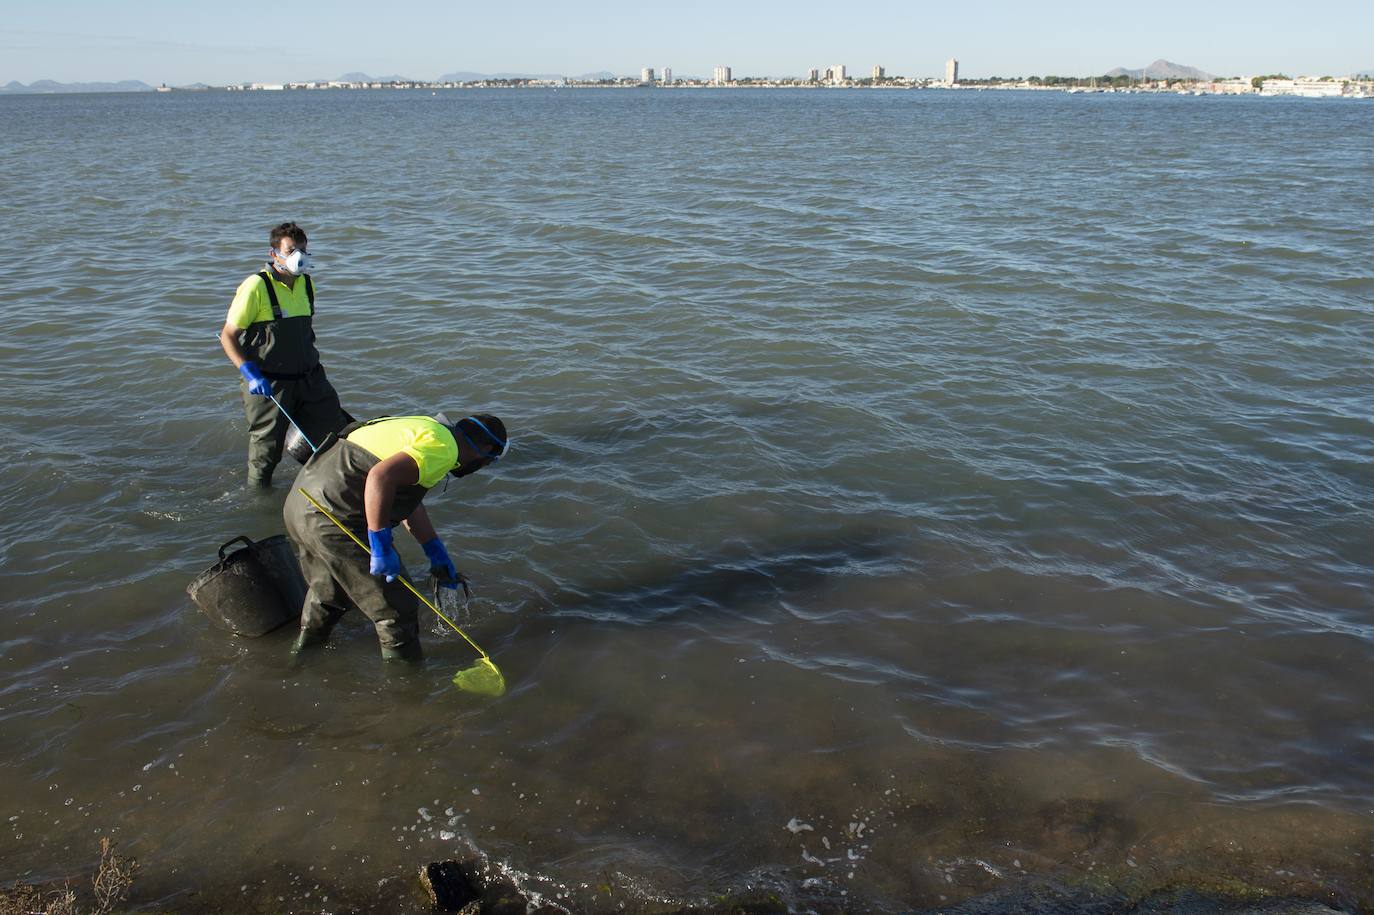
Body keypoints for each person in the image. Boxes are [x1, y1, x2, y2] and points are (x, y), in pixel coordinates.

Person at [283, 412, 508, 661]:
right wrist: (380, 545)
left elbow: (406, 499)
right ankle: (407, 682)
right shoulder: (445, 449)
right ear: (486, 450)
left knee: (329, 593)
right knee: (398, 608)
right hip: (334, 518)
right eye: (489, 462)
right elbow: (381, 477)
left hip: (301, 504)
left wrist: (434, 550)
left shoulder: (428, 428)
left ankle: (299, 658)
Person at [219, 222, 347, 488]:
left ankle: (331, 487)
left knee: (336, 433)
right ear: (274, 253)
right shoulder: (256, 286)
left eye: (302, 250)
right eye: (290, 251)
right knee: (266, 450)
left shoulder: (307, 284)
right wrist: (249, 373)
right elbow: (228, 335)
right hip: (270, 383)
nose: (298, 256)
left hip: (311, 379)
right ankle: (260, 497)